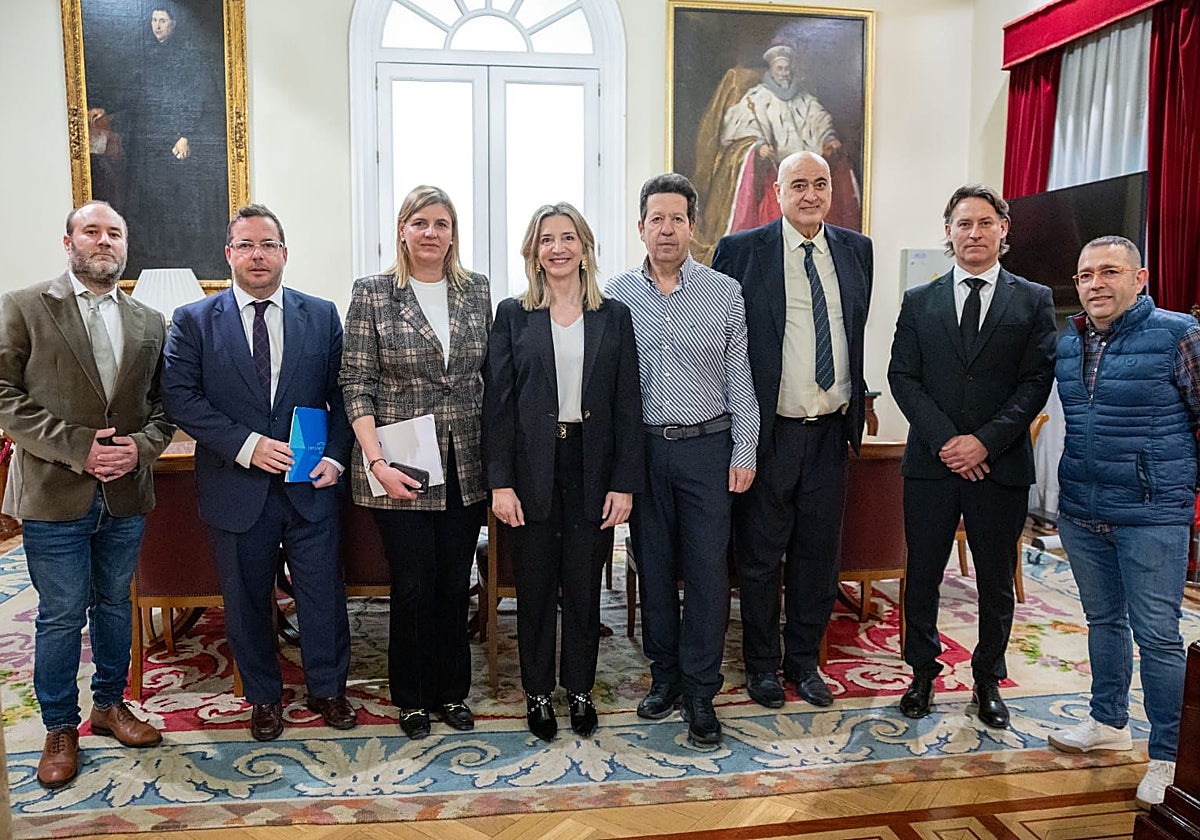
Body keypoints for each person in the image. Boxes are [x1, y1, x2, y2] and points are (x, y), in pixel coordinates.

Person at [161, 204, 356, 742]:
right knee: (247, 600)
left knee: (322, 594)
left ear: (284, 253)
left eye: (268, 244)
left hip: (310, 486)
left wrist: (336, 457)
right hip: (236, 486)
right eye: (246, 245)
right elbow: (181, 398)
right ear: (229, 254)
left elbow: (344, 395)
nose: (257, 255)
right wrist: (248, 446)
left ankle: (328, 689)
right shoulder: (193, 321)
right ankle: (263, 696)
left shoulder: (321, 315)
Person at [0, 201, 175, 788]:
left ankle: (109, 704)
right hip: (54, 494)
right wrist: (79, 447)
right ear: (68, 242)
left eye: (115, 233)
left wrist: (140, 448)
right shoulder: (24, 306)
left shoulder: (151, 321)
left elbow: (164, 405)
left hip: (126, 495)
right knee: (60, 616)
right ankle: (59, 727)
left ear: (126, 245)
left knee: (114, 605)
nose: (104, 241)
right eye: (92, 231)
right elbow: (4, 395)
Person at [887, 185, 1056, 729]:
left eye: (986, 223)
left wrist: (984, 441)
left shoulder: (1033, 299)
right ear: (948, 232)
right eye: (964, 223)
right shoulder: (919, 300)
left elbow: (1036, 382)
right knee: (922, 575)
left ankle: (987, 679)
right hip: (931, 467)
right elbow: (902, 377)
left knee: (995, 580)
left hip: (999, 466)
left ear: (1004, 229)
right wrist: (949, 442)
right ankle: (922, 673)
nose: (975, 233)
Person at [712, 151, 873, 710]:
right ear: (777, 192)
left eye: (820, 184)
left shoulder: (857, 250)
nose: (810, 194)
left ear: (831, 191)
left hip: (829, 432)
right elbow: (723, 341)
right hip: (770, 432)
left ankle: (803, 662)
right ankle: (761, 665)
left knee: (818, 558)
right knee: (759, 558)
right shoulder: (740, 251)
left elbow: (853, 331)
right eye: (798, 185)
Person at [1045, 236, 1199, 809]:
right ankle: (1108, 721)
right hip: (1083, 510)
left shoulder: (1178, 333)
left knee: (1158, 635)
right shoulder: (1070, 340)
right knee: (1103, 620)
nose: (1095, 284)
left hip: (1151, 515)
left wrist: (1179, 490)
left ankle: (1169, 756)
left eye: (1109, 272)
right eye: (1085, 275)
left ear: (1140, 277)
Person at [605, 173, 759, 747]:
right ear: (640, 227)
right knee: (653, 569)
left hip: (707, 450)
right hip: (645, 453)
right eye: (656, 219)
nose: (666, 229)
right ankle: (664, 675)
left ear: (693, 226)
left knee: (706, 574)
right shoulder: (616, 294)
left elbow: (739, 376)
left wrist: (745, 448)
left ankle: (700, 689)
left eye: (677, 219)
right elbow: (611, 390)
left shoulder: (724, 291)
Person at [483, 203, 643, 741]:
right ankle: (537, 691)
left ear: (584, 248)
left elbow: (627, 405)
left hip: (592, 469)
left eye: (568, 237)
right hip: (531, 470)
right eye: (547, 239)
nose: (558, 247)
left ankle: (579, 689)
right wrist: (500, 482)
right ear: (534, 251)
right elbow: (498, 407)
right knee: (534, 588)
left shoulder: (613, 315)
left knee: (582, 588)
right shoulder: (513, 314)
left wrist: (624, 483)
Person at [340, 185, 491, 740]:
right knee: (411, 585)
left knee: (454, 582)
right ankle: (411, 696)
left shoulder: (477, 291)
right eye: (420, 222)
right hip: (398, 461)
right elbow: (356, 382)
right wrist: (377, 461)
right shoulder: (374, 293)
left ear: (454, 234)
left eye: (441, 224)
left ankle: (452, 691)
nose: (431, 233)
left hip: (465, 462)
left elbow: (487, 376)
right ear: (402, 230)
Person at [87, 4, 228, 278]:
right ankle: (156, 255)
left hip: (177, 143)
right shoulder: (147, 56)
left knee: (178, 198)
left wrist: (186, 135)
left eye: (163, 20)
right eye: (154, 20)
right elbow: (132, 93)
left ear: (173, 24)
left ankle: (182, 255)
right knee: (149, 198)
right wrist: (107, 109)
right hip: (149, 143)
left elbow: (200, 98)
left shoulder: (190, 56)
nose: (157, 26)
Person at [692, 44, 861, 263]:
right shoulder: (756, 98)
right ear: (772, 70)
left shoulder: (804, 100)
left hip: (804, 173)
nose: (784, 73)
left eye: (787, 69)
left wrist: (828, 138)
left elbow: (819, 121)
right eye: (780, 69)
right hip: (774, 174)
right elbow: (744, 128)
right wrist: (759, 145)